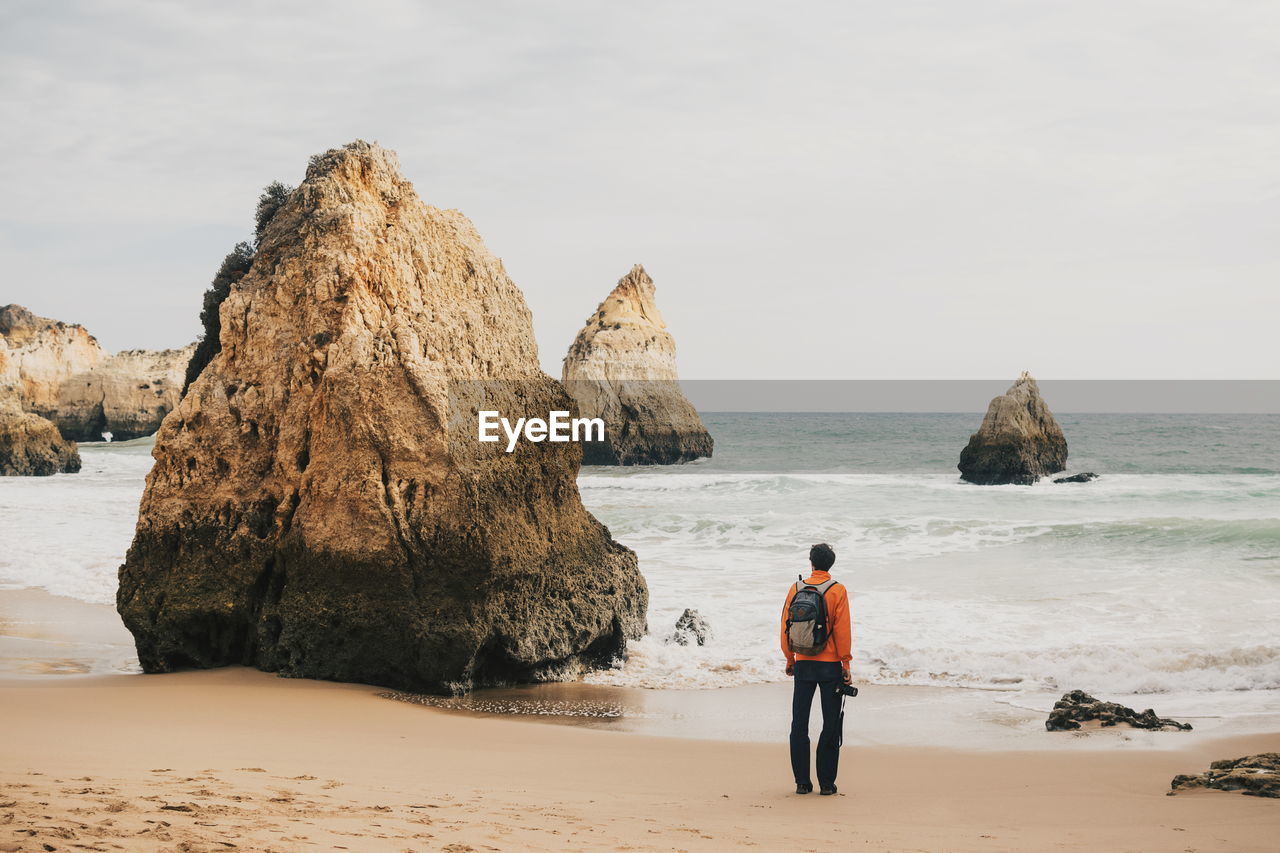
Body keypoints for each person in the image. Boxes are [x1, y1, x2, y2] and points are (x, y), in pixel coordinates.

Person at [780, 542, 852, 795]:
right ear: (830, 564)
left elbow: (785, 626)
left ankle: (802, 783)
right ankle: (827, 784)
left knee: (799, 724)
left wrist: (790, 659)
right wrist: (846, 662)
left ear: (811, 563)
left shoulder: (796, 588)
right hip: (830, 666)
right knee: (830, 724)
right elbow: (842, 630)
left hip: (804, 664)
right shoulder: (837, 590)